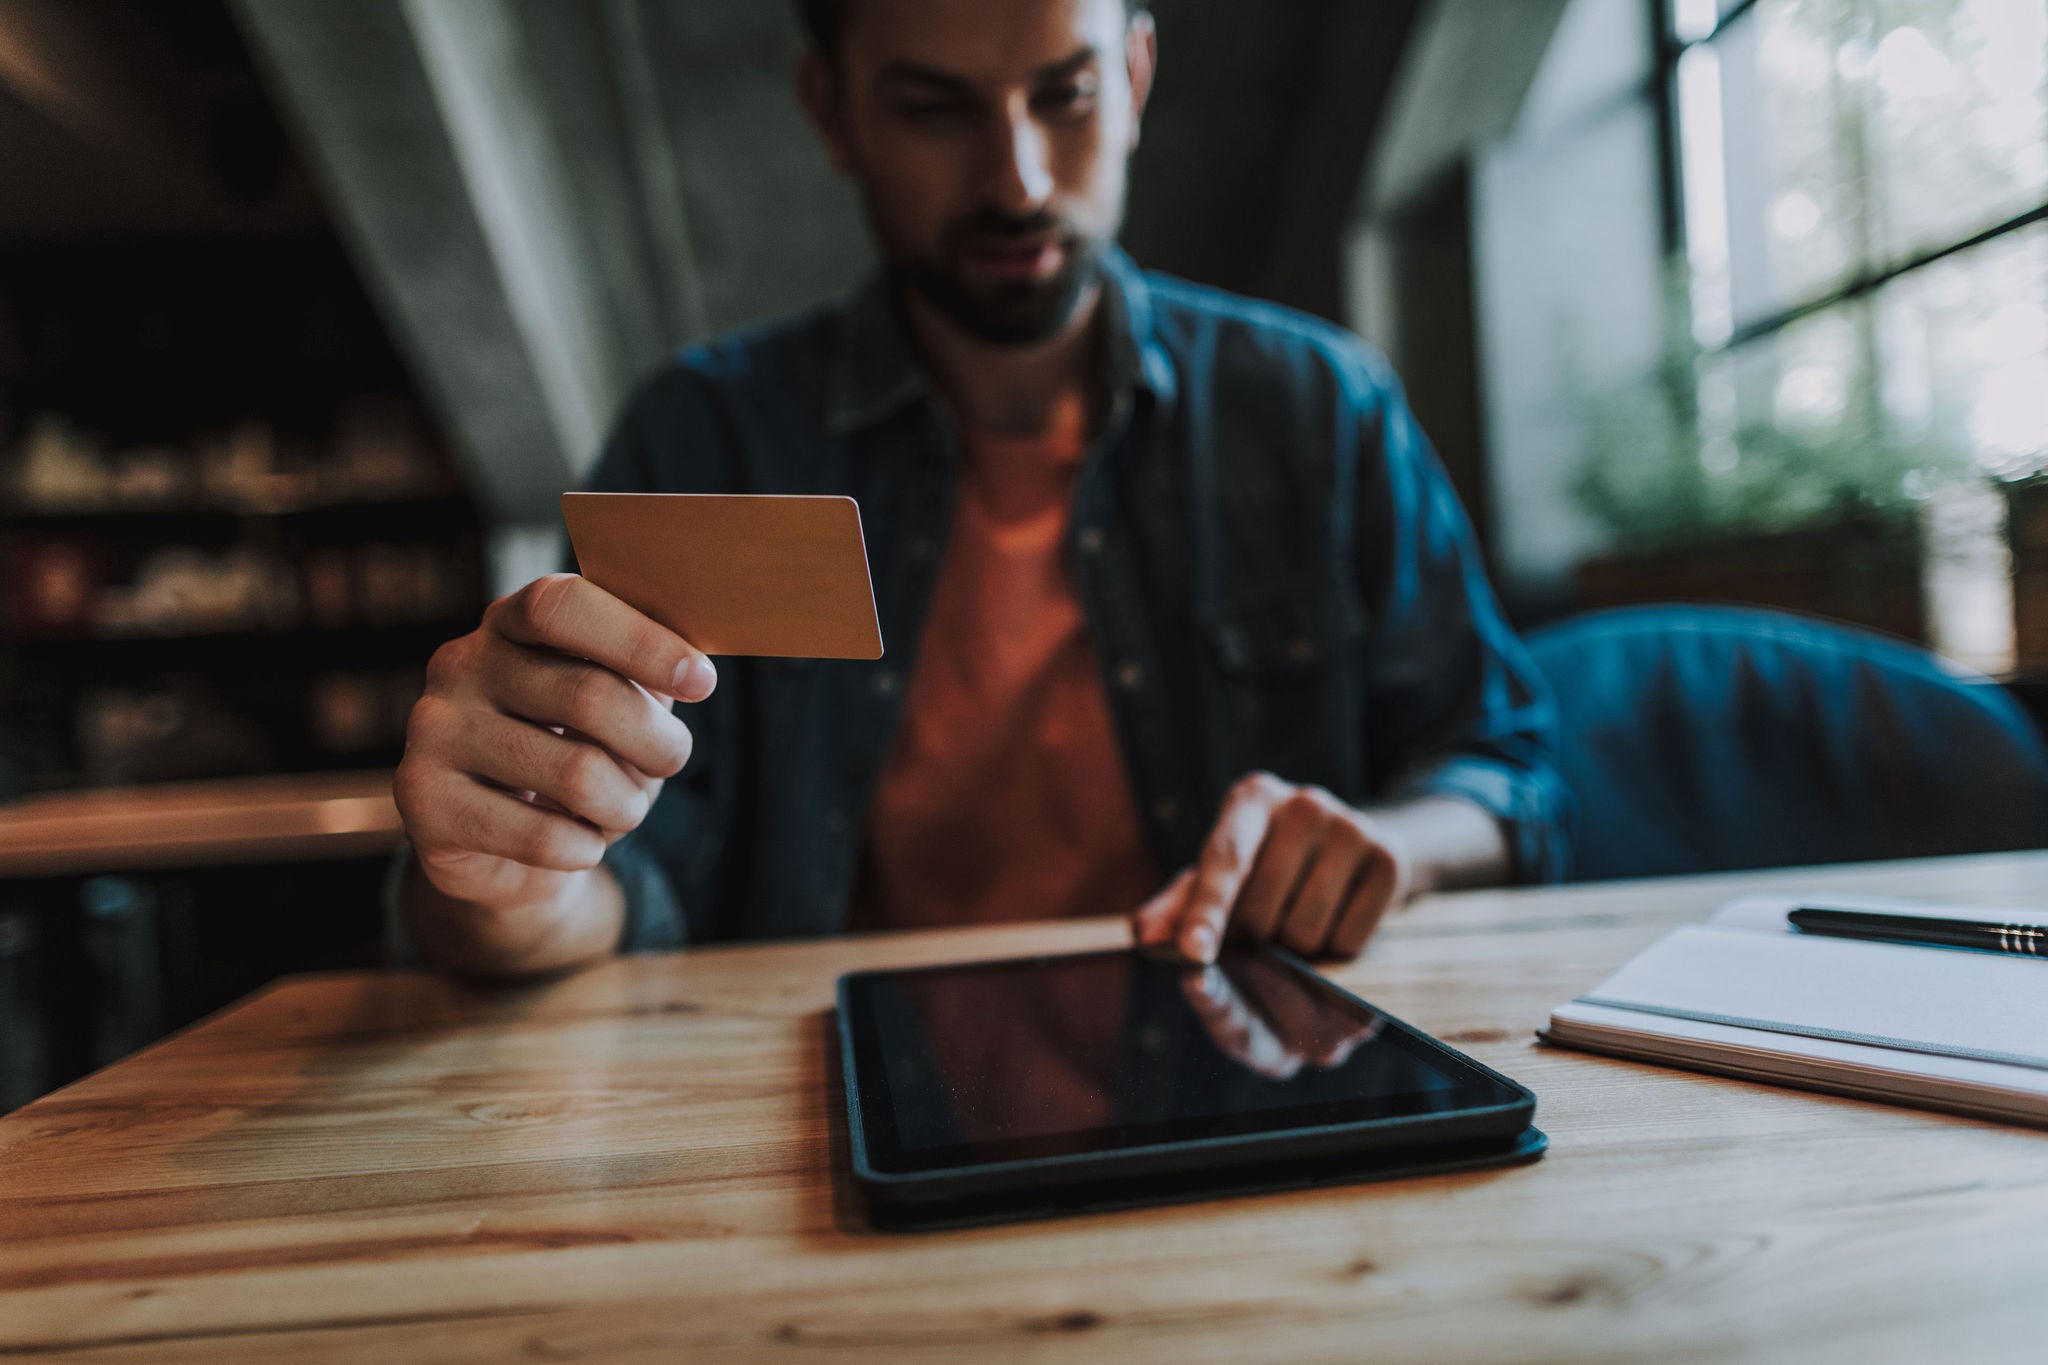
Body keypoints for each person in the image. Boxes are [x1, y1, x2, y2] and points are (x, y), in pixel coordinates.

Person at [391, 0, 1568, 980]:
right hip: (824, 1110)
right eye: (932, 108)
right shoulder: (705, 441)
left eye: (1066, 96)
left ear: (1135, 77)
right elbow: (624, 885)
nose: (1017, 178)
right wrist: (505, 888)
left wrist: (1392, 846)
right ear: (831, 112)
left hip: (1245, 1079)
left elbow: (1505, 772)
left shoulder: (1316, 409)